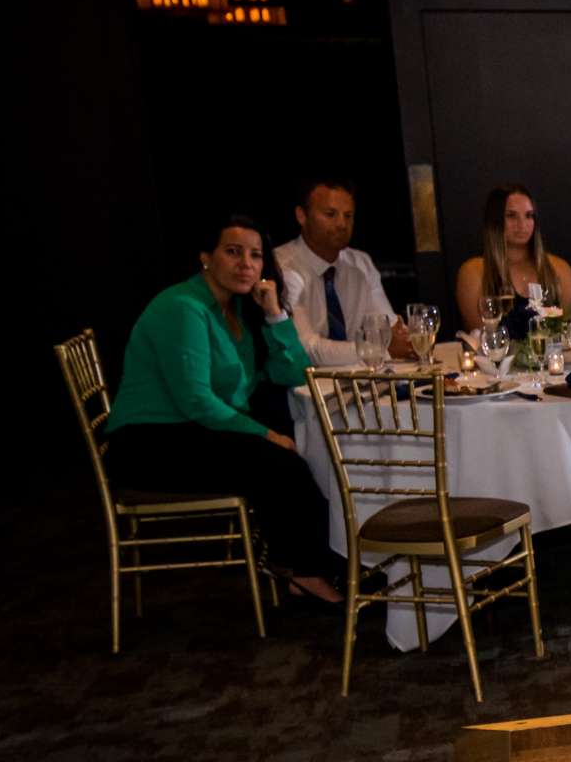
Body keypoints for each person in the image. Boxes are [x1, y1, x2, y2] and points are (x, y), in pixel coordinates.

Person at [102, 217, 342, 604]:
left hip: (193, 431)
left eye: (256, 255)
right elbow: (196, 400)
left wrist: (275, 316)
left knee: (293, 446)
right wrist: (265, 435)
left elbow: (293, 373)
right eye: (233, 252)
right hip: (149, 442)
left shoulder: (234, 312)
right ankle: (308, 572)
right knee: (280, 460)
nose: (246, 263)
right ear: (205, 259)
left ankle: (307, 563)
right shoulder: (184, 307)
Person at [272, 177, 412, 366]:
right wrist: (379, 349)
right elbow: (307, 349)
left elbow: (388, 327)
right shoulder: (283, 266)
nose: (341, 224)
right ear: (301, 216)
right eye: (330, 214)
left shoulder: (360, 263)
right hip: (303, 388)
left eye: (348, 216)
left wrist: (401, 341)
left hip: (362, 382)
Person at [453, 184, 571, 331]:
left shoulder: (558, 268)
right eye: (511, 216)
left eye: (528, 216)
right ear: (495, 221)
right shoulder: (475, 271)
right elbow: (481, 337)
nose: (522, 224)